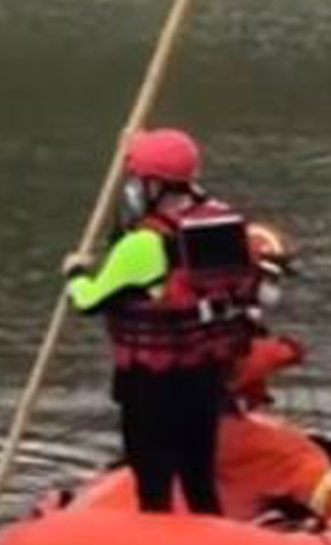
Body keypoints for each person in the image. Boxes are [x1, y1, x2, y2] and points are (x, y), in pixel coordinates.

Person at [63, 128, 256, 514]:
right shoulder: (222, 225)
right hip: (205, 377)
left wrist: (74, 274)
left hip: (152, 384)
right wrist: (136, 143)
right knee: (199, 477)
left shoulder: (143, 245)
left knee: (153, 480)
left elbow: (89, 301)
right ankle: (209, 542)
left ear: (151, 186)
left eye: (137, 179)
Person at [218, 222, 331, 526]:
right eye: (270, 278)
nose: (274, 288)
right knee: (300, 455)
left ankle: (239, 516)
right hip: (219, 429)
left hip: (182, 428)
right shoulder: (222, 322)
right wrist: (280, 353)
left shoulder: (200, 308)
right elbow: (230, 368)